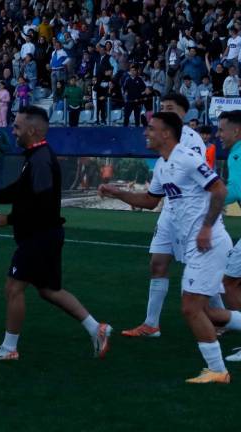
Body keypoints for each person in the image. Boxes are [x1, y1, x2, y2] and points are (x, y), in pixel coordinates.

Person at [0, 105, 112, 361]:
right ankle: (97, 329)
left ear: (32, 129)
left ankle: (9, 349)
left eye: (17, 126)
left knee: (13, 288)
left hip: (39, 236)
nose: (13, 131)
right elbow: (20, 191)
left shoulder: (40, 159)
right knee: (49, 289)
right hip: (46, 235)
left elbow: (40, 203)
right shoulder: (34, 156)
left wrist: (9, 218)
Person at [99, 112, 231, 384]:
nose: (146, 133)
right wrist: (117, 192)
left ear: (167, 134)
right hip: (195, 246)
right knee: (209, 312)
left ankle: (218, 371)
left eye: (151, 129)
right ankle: (217, 369)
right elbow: (149, 200)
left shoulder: (187, 158)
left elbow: (219, 190)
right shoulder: (162, 164)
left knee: (191, 308)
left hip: (209, 243)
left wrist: (206, 227)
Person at [119, 93, 221, 338]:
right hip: (170, 211)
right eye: (162, 107)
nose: (165, 110)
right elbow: (156, 192)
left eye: (171, 107)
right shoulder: (162, 142)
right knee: (158, 263)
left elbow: (202, 180)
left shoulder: (190, 140)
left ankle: (220, 318)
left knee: (200, 270)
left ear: (184, 113)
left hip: (192, 214)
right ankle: (151, 324)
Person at [214, 110, 241, 363]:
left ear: (237, 131)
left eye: (222, 129)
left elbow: (234, 190)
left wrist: (210, 193)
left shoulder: (237, 152)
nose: (218, 134)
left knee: (229, 282)